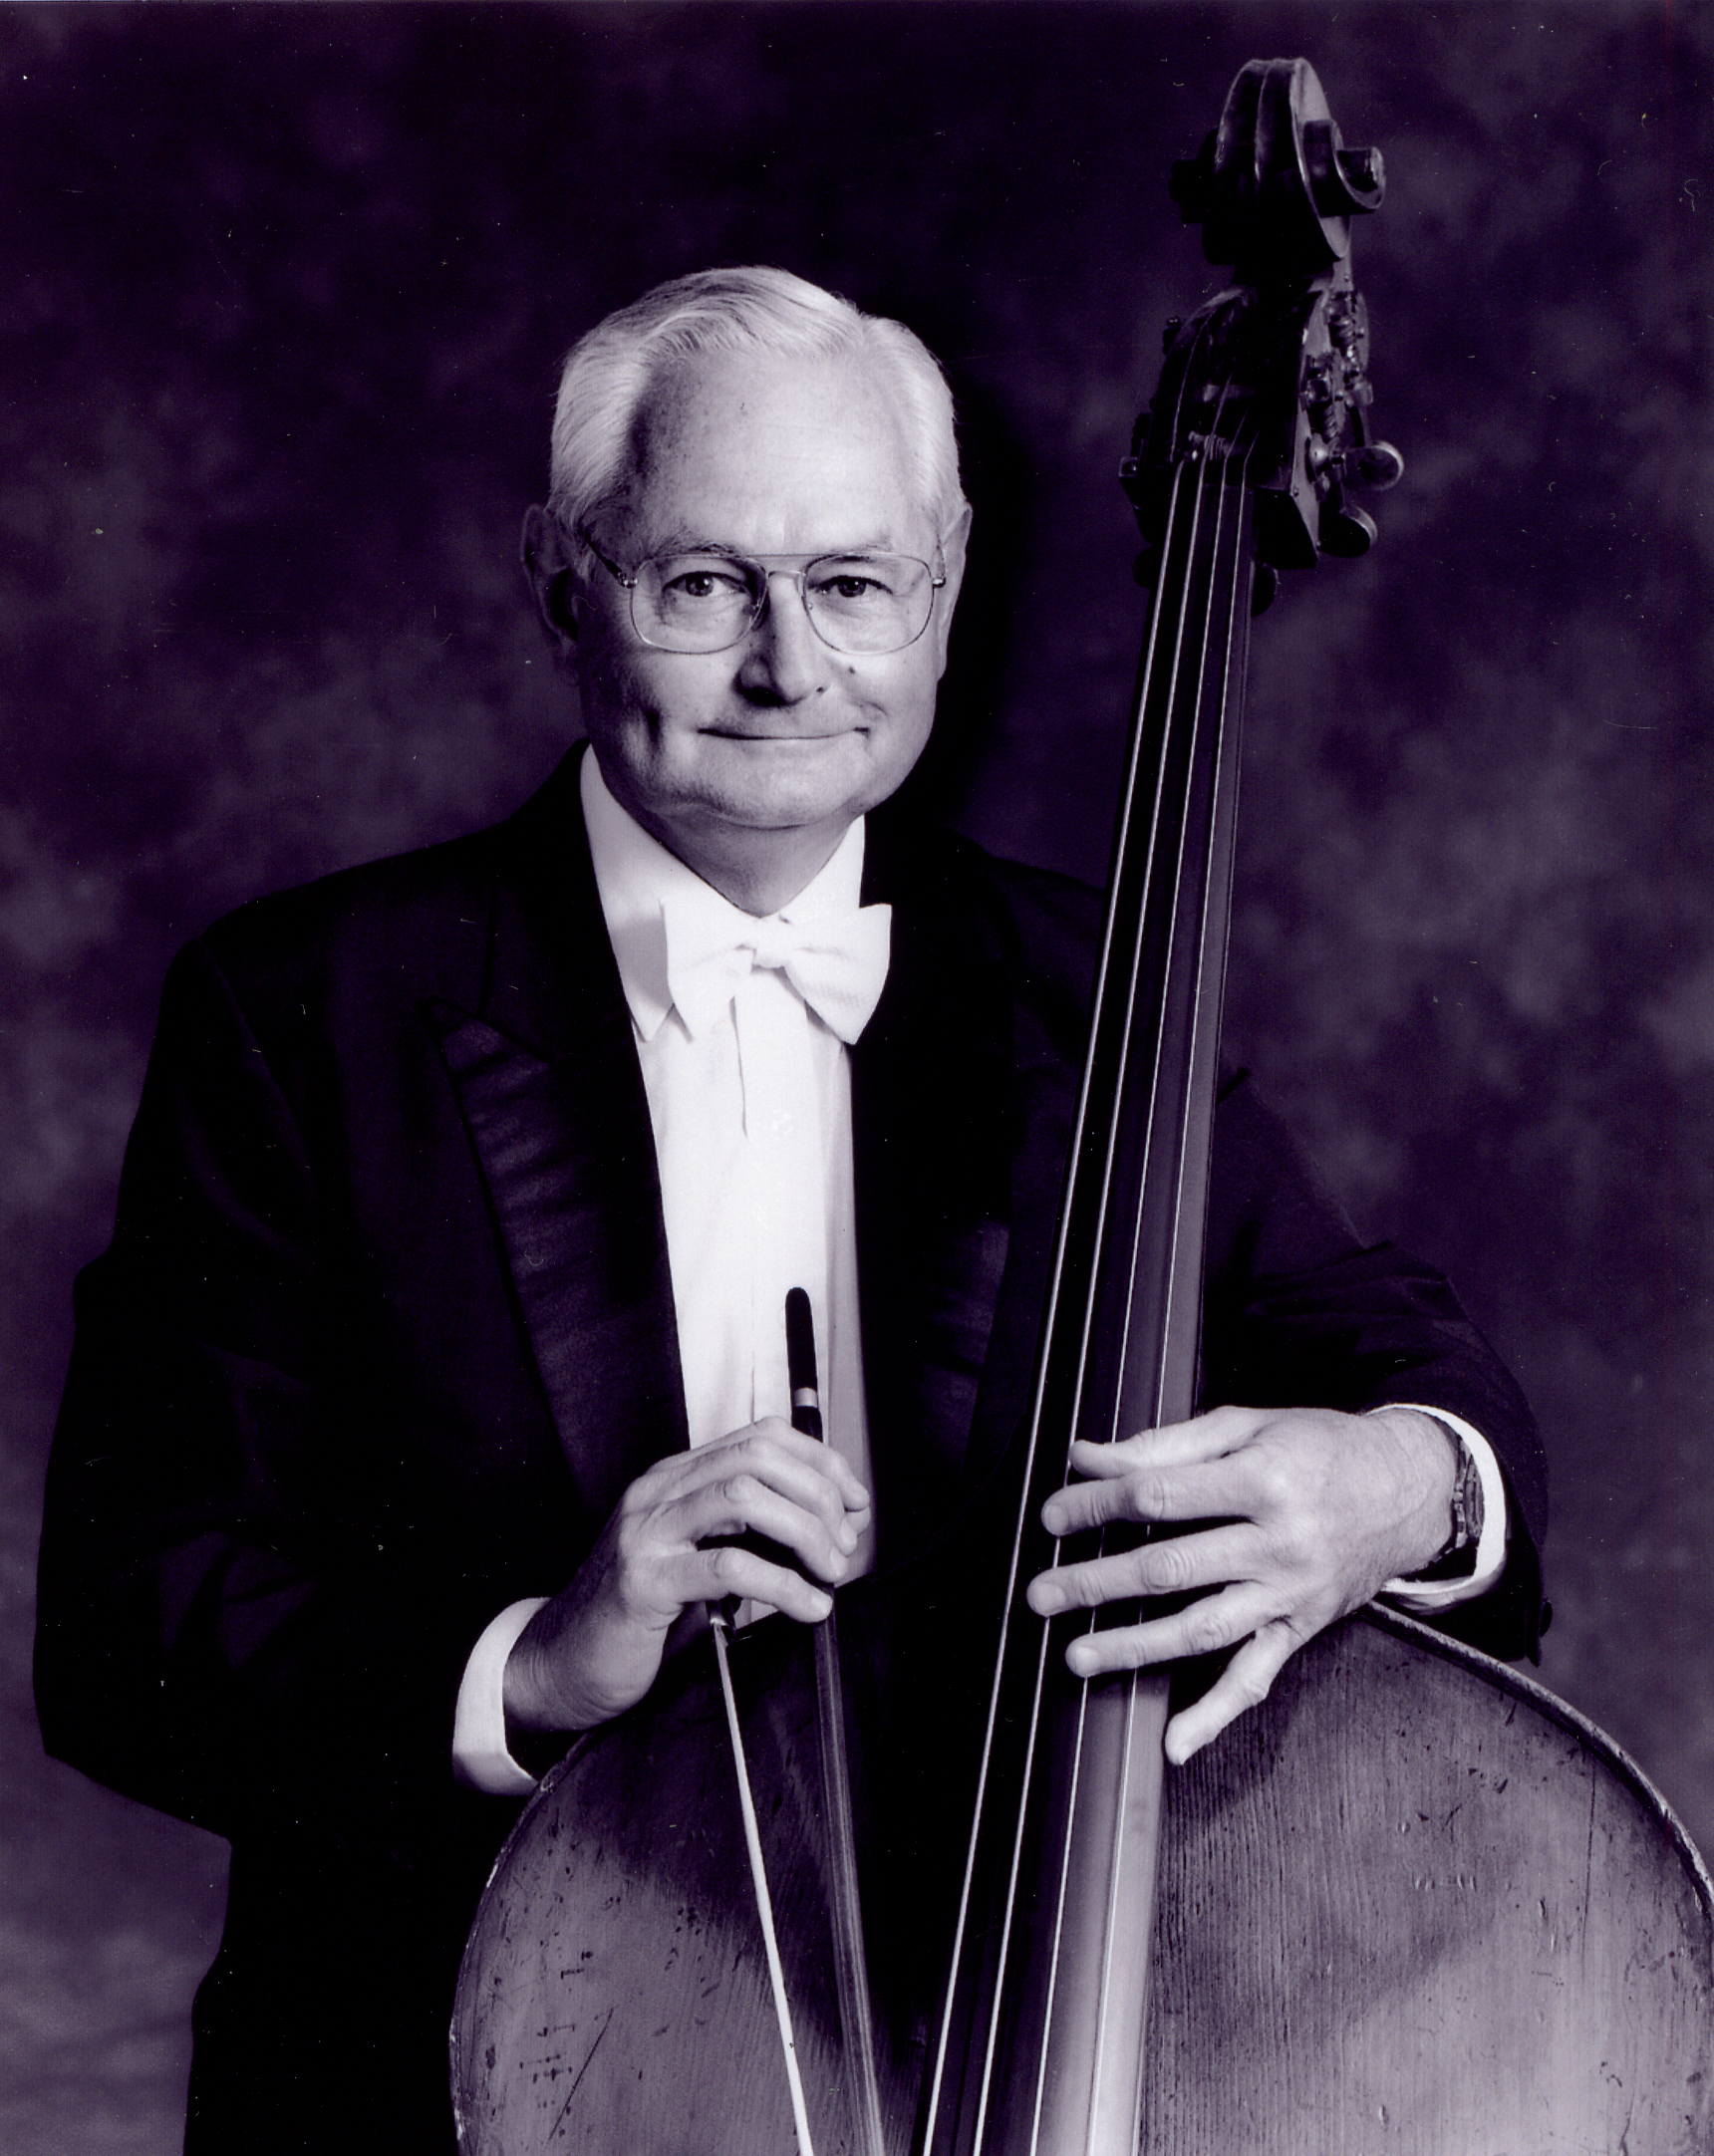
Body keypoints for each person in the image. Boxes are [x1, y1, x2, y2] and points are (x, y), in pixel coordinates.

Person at [35, 267, 1547, 2153]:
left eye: (850, 586)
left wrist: (1402, 1480)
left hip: (980, 2052)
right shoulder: (299, 1012)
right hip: (451, 2084)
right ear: (557, 578)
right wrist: (538, 1657)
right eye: (702, 584)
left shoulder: (1087, 991)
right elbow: (125, 1635)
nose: (786, 668)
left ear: (944, 589)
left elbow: (1404, 1357)